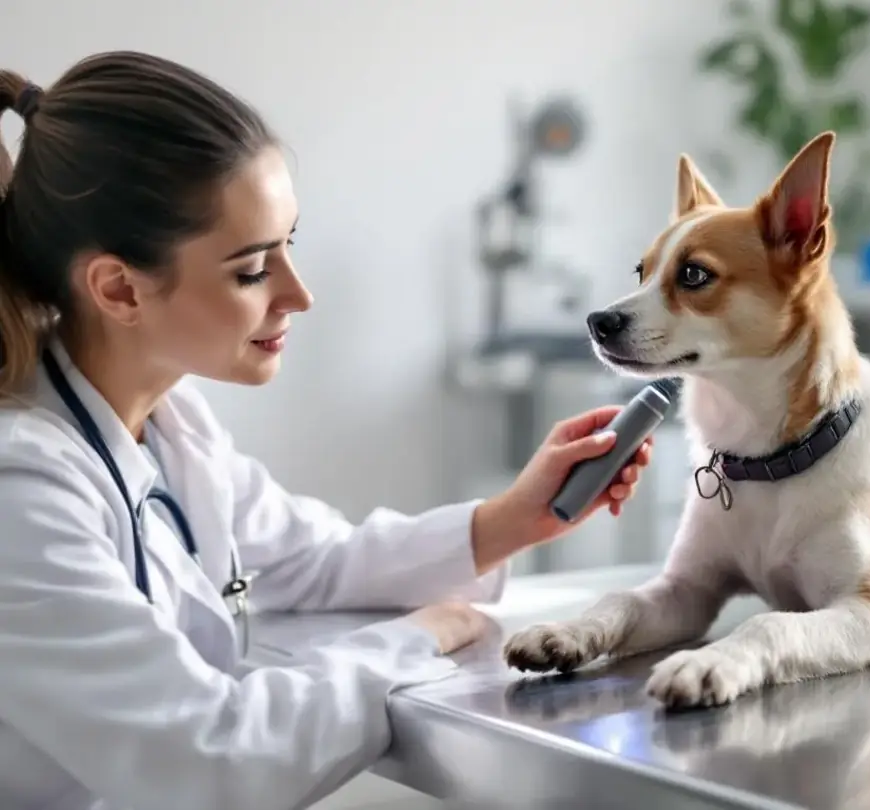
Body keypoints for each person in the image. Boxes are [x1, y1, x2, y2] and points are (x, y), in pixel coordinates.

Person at [0, 51, 653, 810]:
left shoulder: (171, 426)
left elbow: (315, 561)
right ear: (118, 289)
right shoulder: (24, 492)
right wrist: (414, 640)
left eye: (290, 246)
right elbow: (215, 761)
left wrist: (511, 521)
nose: (298, 295)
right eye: (251, 271)